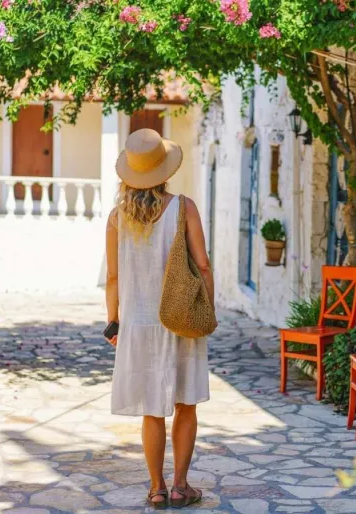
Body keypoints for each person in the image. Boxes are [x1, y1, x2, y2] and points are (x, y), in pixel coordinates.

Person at [104, 128, 213, 509]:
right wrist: (206, 312)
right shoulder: (185, 208)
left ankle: (156, 488)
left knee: (152, 409)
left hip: (138, 324)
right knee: (186, 404)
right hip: (181, 318)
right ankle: (182, 485)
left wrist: (113, 321)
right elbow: (202, 264)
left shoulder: (117, 218)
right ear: (165, 170)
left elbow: (114, 277)